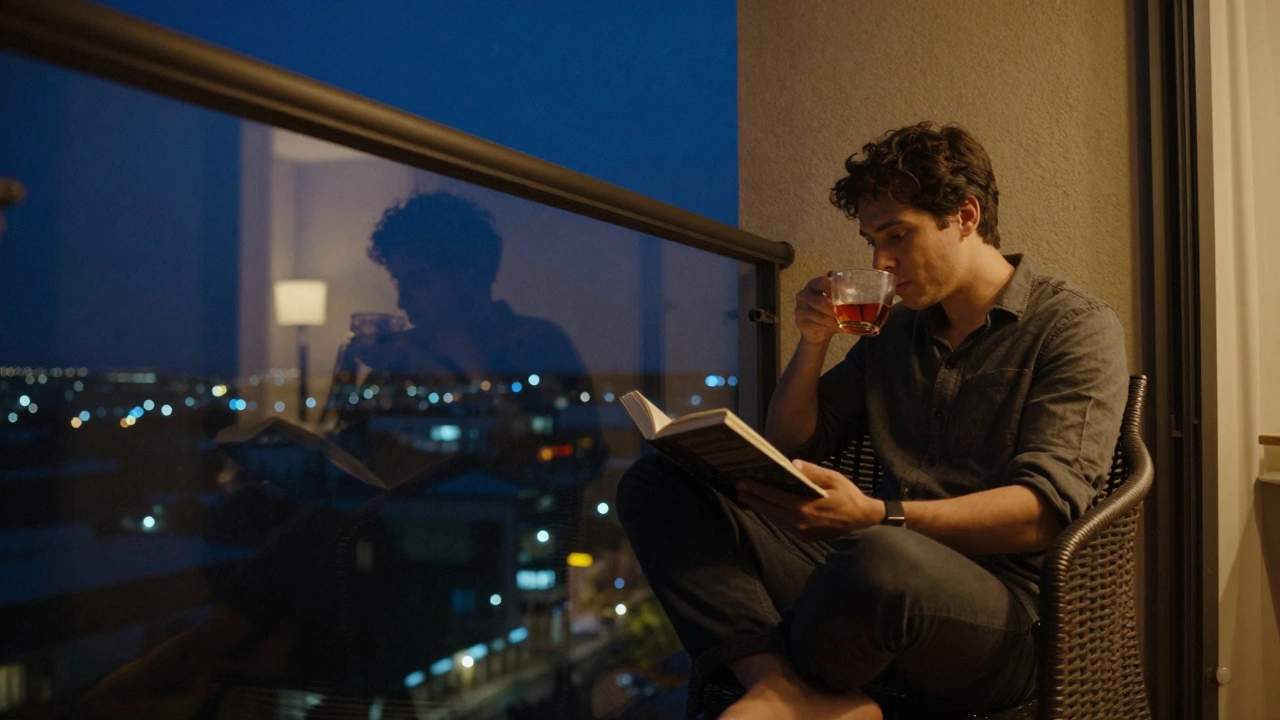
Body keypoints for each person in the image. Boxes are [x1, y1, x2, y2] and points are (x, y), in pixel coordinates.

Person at [616, 121, 1129, 719]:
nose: (881, 261)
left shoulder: (1074, 329)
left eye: (898, 235)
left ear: (965, 216)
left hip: (1003, 617)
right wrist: (812, 345)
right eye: (870, 240)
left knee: (880, 557)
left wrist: (878, 516)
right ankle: (780, 684)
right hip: (865, 579)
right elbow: (789, 440)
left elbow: (1044, 513)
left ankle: (801, 683)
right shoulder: (896, 331)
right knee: (658, 479)